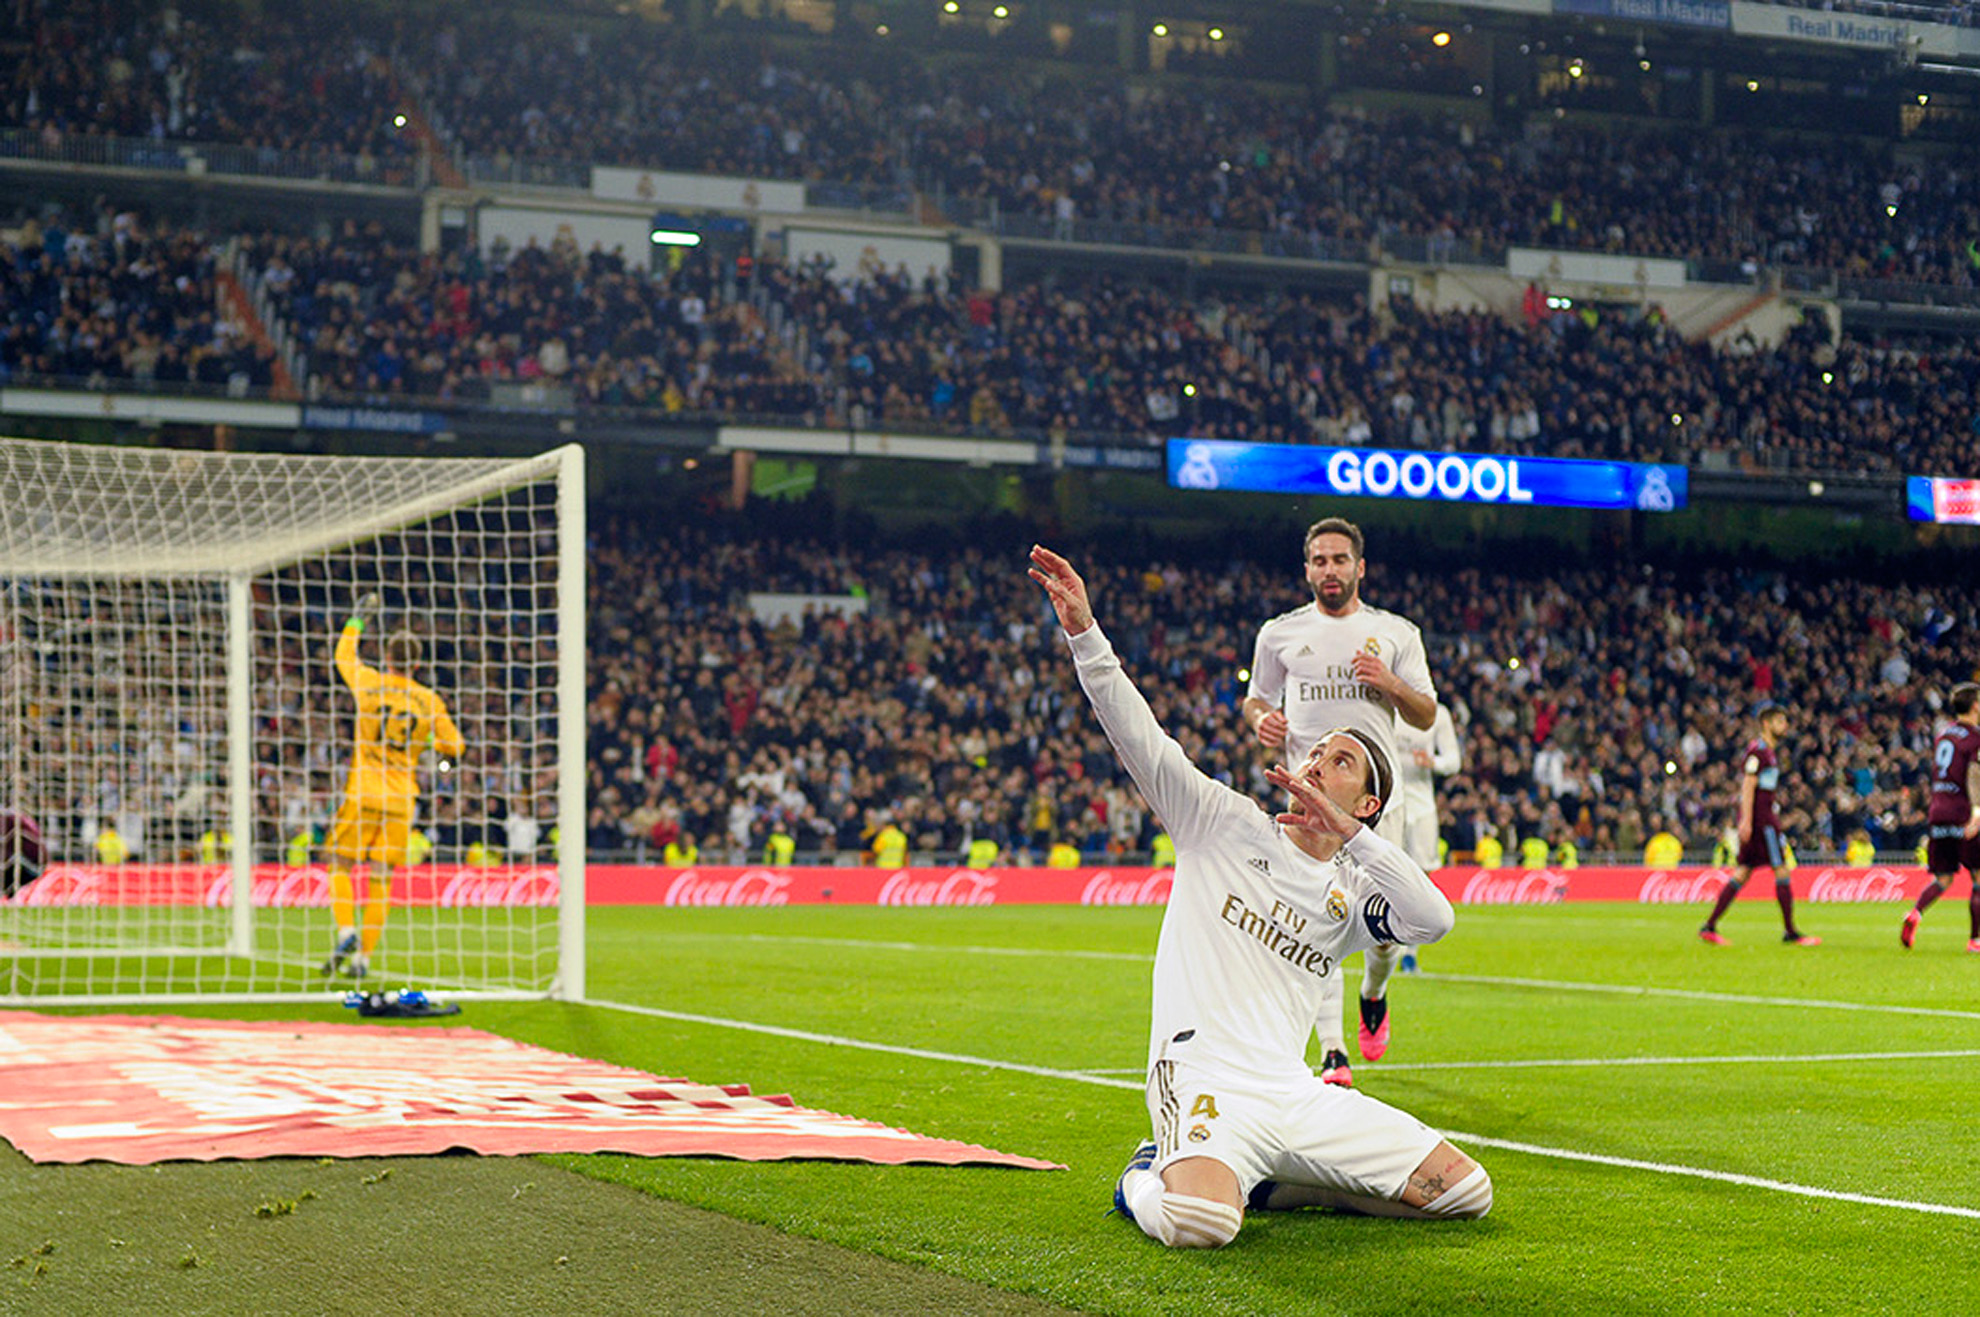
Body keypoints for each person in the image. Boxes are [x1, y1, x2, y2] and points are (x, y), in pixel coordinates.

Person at [1028, 545, 1488, 1245]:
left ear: (1365, 802)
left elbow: (1435, 918)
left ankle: (1280, 1187)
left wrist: (1353, 840)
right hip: (1202, 1071)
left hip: (1296, 1095)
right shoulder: (1219, 822)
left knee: (1463, 1191)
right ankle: (1142, 1176)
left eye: (1338, 761)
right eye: (1316, 752)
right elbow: (1140, 738)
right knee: (1202, 1222)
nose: (1314, 762)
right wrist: (1085, 634)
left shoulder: (1351, 894)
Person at [1242, 517, 1437, 1087]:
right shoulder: (1279, 634)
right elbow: (1255, 701)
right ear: (1307, 570)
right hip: (1308, 802)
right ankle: (1332, 1052)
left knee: (1385, 933)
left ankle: (1373, 994)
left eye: (1340, 560)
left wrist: (1390, 684)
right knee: (1313, 919)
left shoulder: (1396, 634)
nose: (1330, 570)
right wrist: (1264, 722)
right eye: (1320, 561)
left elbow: (1425, 714)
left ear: (1360, 568)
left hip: (1377, 804)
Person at [322, 592, 464, 980]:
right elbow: (455, 748)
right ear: (416, 663)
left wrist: (356, 621)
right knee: (382, 878)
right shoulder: (428, 700)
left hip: (364, 791)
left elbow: (342, 658)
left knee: (340, 863)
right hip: (402, 800)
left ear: (387, 658)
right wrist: (439, 753)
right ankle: (363, 960)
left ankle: (346, 930)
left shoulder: (368, 682)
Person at [1699, 702, 1819, 947]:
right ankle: (1790, 931)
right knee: (1781, 870)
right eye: (1780, 721)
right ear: (1767, 723)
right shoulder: (1759, 752)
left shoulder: (1769, 752)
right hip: (1763, 821)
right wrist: (1746, 821)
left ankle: (1709, 926)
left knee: (1742, 872)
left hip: (1761, 818)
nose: (1785, 726)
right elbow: (1748, 785)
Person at [1903, 682, 1980, 952]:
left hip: (1938, 810)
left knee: (1943, 878)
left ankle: (1915, 914)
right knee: (1978, 878)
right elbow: (1973, 774)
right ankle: (1975, 940)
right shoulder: (1975, 738)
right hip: (1963, 810)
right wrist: (1977, 810)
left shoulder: (1944, 736)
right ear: (1974, 705)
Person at [1395, 703, 1461, 973]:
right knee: (1385, 872)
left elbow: (1454, 761)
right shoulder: (1384, 705)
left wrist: (1433, 762)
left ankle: (1410, 952)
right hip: (1389, 801)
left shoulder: (1438, 713)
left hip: (1421, 805)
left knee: (1422, 875)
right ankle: (1384, 944)